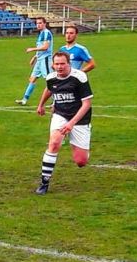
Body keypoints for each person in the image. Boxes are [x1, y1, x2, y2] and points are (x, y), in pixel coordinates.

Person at [34, 52, 93, 195]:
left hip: (80, 118)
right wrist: (41, 104)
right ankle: (44, 183)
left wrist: (71, 124)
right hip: (60, 114)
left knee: (81, 161)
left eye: (62, 64)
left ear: (69, 64)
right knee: (54, 143)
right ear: (52, 65)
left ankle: (82, 147)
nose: (59, 67)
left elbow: (86, 104)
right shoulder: (51, 77)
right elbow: (49, 89)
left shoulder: (79, 77)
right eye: (57, 64)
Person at [15, 17, 53, 105]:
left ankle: (55, 100)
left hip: (45, 60)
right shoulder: (41, 33)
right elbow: (41, 47)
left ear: (45, 24)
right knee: (32, 79)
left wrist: (32, 49)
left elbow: (45, 47)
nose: (38, 25)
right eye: (37, 23)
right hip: (40, 60)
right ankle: (24, 100)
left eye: (40, 23)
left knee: (50, 81)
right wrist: (35, 57)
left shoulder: (46, 33)